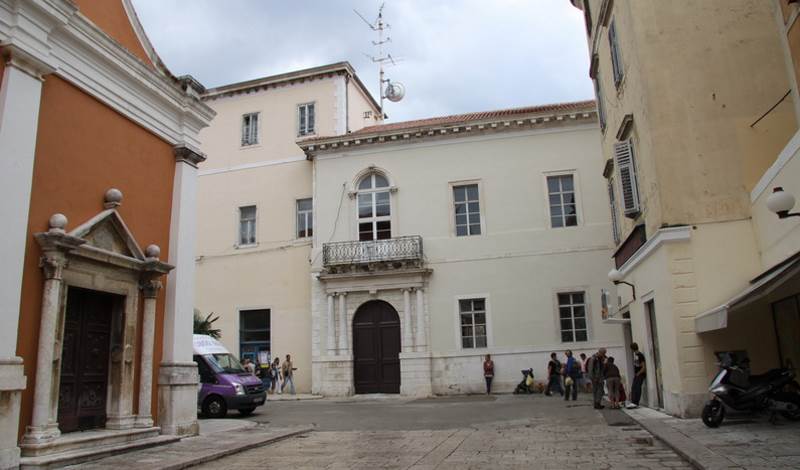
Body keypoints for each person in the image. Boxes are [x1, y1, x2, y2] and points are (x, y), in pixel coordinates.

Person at [627, 343, 647, 409]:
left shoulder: (640, 355)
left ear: (632, 349)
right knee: (634, 387)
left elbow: (643, 367)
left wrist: (639, 373)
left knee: (637, 388)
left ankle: (635, 403)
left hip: (640, 374)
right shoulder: (636, 355)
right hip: (637, 374)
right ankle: (634, 402)